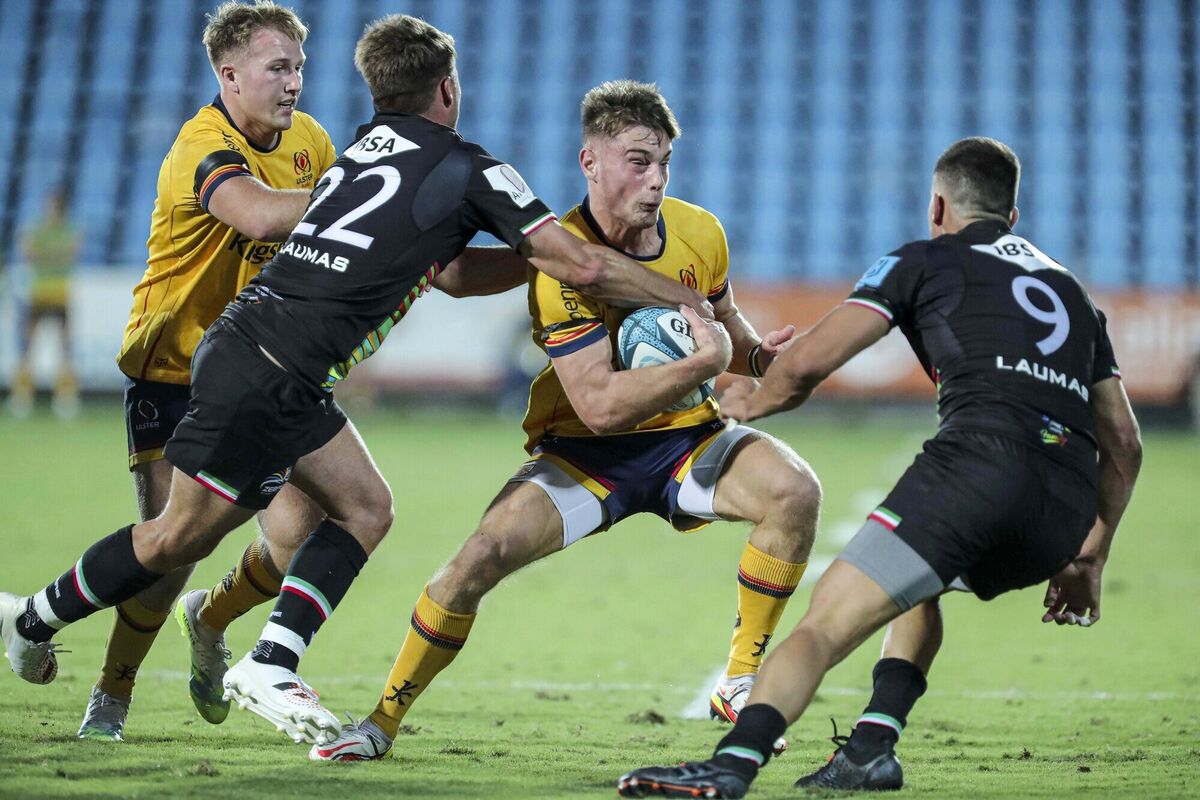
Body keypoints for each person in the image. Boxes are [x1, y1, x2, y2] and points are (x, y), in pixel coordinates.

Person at [0, 14, 707, 749]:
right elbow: (584, 264)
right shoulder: (469, 167)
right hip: (271, 369)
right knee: (221, 529)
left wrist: (537, 257)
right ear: (447, 87)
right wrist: (680, 295)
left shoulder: (356, 156)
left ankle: (41, 620)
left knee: (291, 517)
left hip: (256, 356)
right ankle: (250, 659)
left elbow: (456, 272)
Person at [309, 80, 822, 763]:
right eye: (639, 161)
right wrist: (707, 364)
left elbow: (724, 325)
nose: (657, 179)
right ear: (591, 162)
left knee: (795, 492)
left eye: (665, 162)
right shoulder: (559, 261)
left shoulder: (701, 232)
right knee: (475, 561)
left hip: (687, 441)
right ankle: (380, 722)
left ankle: (739, 680)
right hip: (587, 455)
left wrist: (759, 357)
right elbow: (600, 406)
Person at [616, 137, 1142, 798]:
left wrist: (750, 403)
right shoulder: (1073, 297)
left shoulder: (922, 260)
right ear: (1012, 216)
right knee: (920, 579)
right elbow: (1123, 442)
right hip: (1063, 504)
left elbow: (808, 363)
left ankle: (731, 765)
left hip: (979, 465)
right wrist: (1090, 557)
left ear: (938, 204)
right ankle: (870, 749)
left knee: (828, 618)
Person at [74, 0, 336, 742]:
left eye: (299, 68)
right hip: (174, 368)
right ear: (229, 75)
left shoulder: (311, 141)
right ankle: (113, 695)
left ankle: (211, 619)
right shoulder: (200, 144)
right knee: (171, 546)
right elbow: (255, 215)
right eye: (277, 68)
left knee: (297, 535)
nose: (293, 83)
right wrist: (356, 200)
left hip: (261, 367)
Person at [9, 190, 81, 419]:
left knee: (65, 349)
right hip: (39, 294)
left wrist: (44, 255)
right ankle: (22, 397)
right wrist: (55, 255)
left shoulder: (66, 229)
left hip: (58, 294)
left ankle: (65, 398)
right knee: (28, 347)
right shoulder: (40, 228)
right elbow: (30, 252)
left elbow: (67, 253)